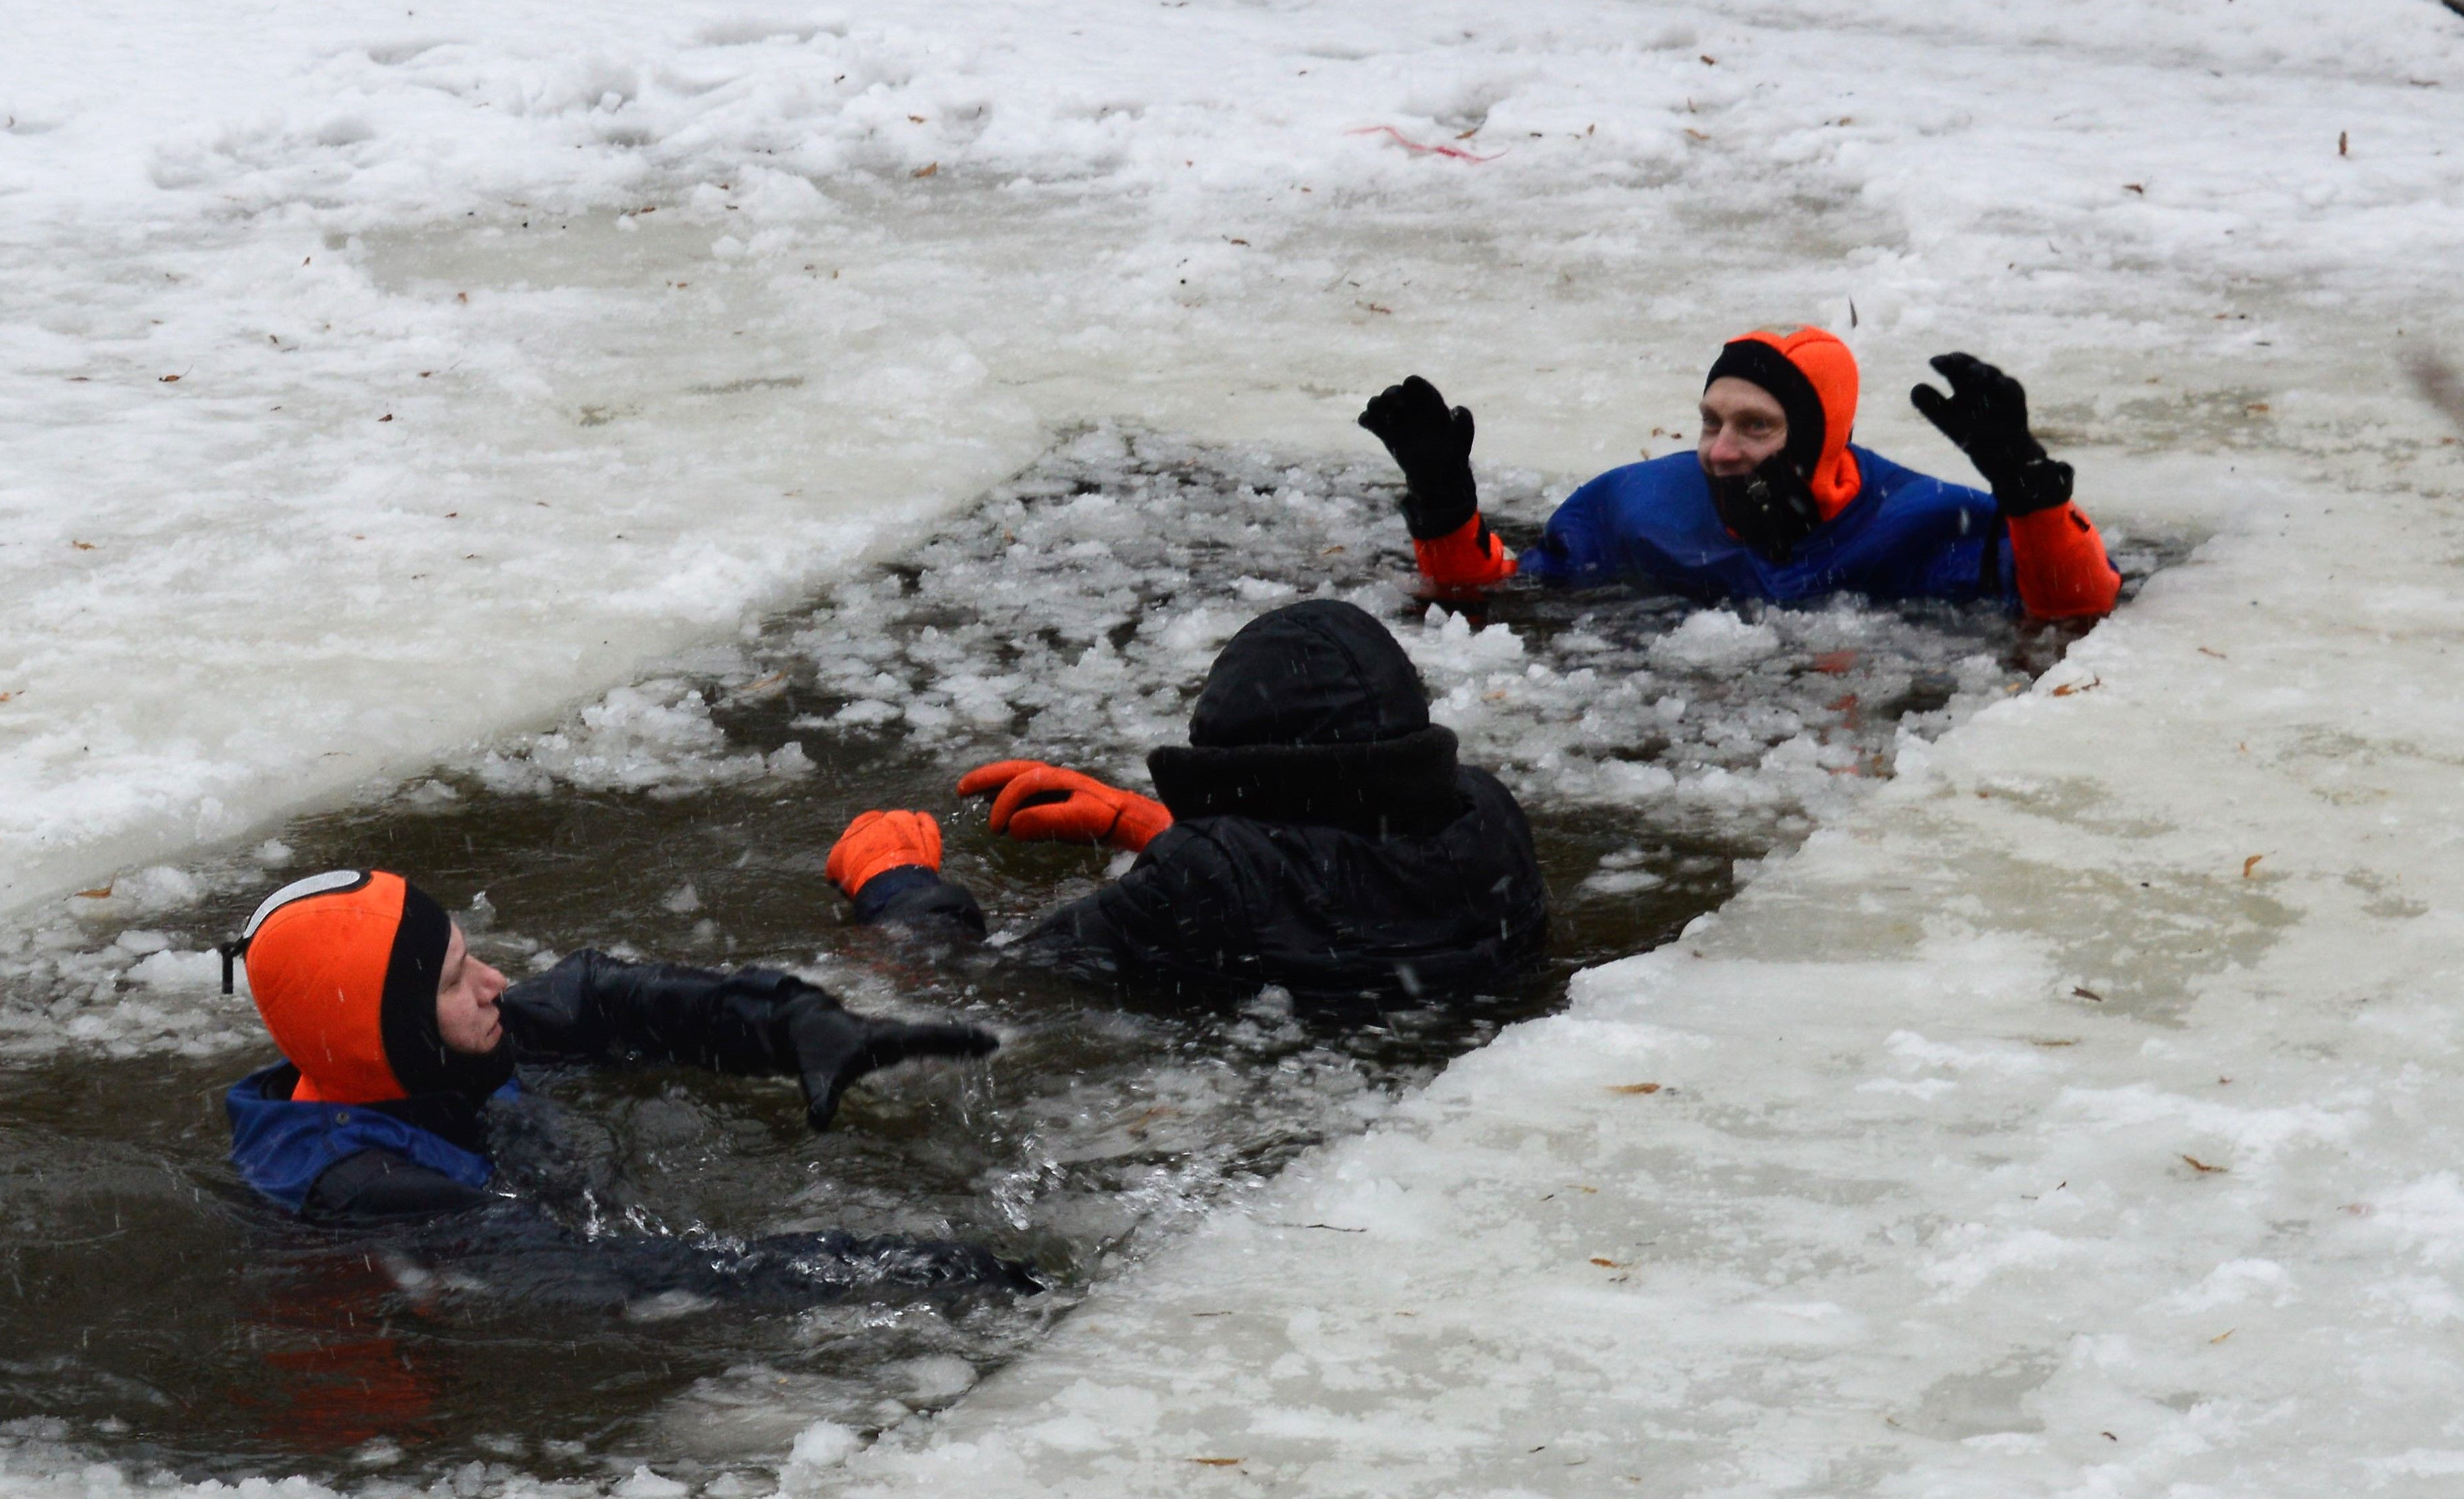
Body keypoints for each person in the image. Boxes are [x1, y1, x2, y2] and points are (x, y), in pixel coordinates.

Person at [214, 869, 1021, 1302]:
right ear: (392, 1028)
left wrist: (799, 1024)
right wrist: (866, 1266)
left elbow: (602, 997)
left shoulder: (416, 1054)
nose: (497, 983)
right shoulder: (366, 1186)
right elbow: (606, 1272)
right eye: (458, 977)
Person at [824, 598, 1547, 1003]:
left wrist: (898, 889)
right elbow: (1347, 858)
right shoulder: (1488, 821)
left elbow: (971, 988)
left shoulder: (1207, 881)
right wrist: (1162, 827)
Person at [1361, 330, 2122, 617]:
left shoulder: (1921, 521)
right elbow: (1497, 591)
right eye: (1709, 421)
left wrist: (2029, 494)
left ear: (1820, 438)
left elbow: (2081, 611)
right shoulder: (1637, 504)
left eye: (1755, 427)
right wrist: (1442, 506)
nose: (1719, 451)